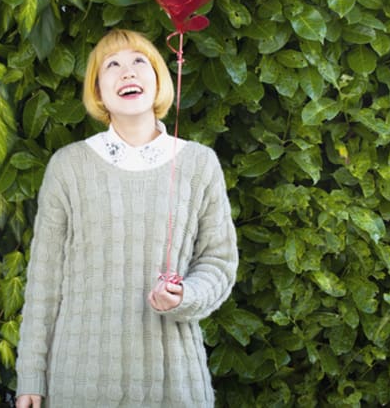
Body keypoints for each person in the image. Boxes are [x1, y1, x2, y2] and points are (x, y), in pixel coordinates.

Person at [15, 29, 238, 408]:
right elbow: (44, 282)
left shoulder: (199, 164)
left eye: (139, 61)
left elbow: (219, 262)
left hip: (174, 381)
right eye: (112, 65)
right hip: (80, 381)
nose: (127, 72)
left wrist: (186, 295)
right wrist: (30, 377)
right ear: (98, 90)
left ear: (159, 78)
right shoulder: (68, 167)